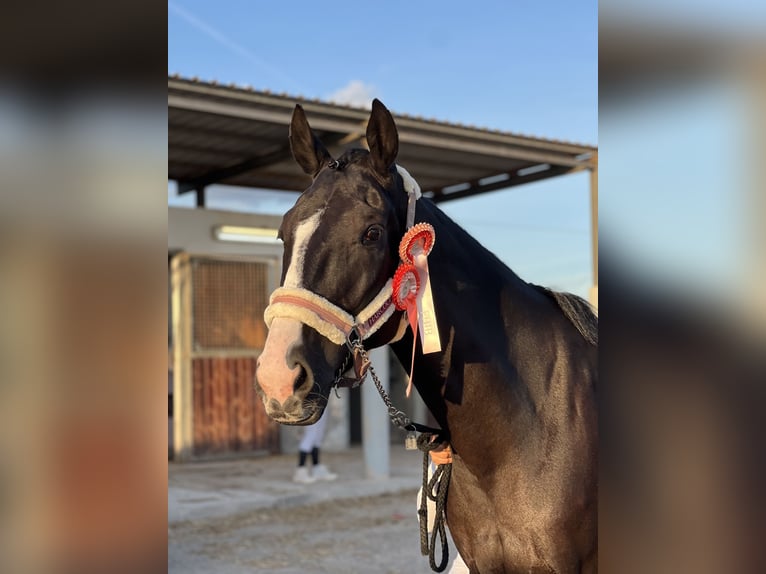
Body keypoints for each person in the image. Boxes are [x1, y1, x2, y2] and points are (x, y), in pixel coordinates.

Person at [293, 407, 337, 483]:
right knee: (310, 435)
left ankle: (316, 468)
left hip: (322, 400)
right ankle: (300, 470)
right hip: (311, 401)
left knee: (318, 436)